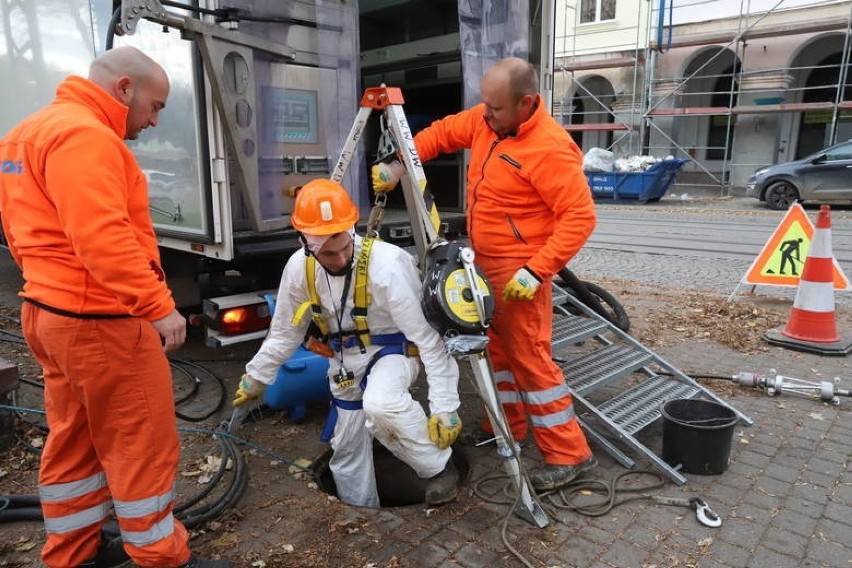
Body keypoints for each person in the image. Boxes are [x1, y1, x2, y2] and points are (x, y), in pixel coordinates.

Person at [0, 46, 229, 568]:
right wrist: (157, 306)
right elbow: (101, 236)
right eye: (155, 106)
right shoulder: (86, 137)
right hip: (100, 322)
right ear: (124, 89)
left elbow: (19, 234)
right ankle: (160, 558)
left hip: (48, 313)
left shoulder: (24, 134)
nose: (154, 120)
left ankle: (72, 553)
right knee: (141, 444)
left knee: (74, 442)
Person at [372, 57, 598, 492]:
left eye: (495, 108)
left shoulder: (550, 148)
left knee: (531, 362)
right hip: (482, 266)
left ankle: (570, 455)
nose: (485, 114)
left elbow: (579, 218)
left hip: (520, 273)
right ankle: (506, 427)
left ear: (527, 103)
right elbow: (440, 134)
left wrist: (536, 271)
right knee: (495, 353)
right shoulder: (487, 121)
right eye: (484, 105)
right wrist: (400, 162)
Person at [233, 178, 462, 508]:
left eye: (344, 247)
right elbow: (285, 333)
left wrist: (444, 407)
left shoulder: (388, 265)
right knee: (346, 449)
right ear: (305, 241)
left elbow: (428, 340)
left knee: (380, 403)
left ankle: (439, 469)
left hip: (392, 351)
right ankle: (362, 511)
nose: (340, 259)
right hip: (343, 362)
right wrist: (257, 376)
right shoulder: (299, 269)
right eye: (328, 253)